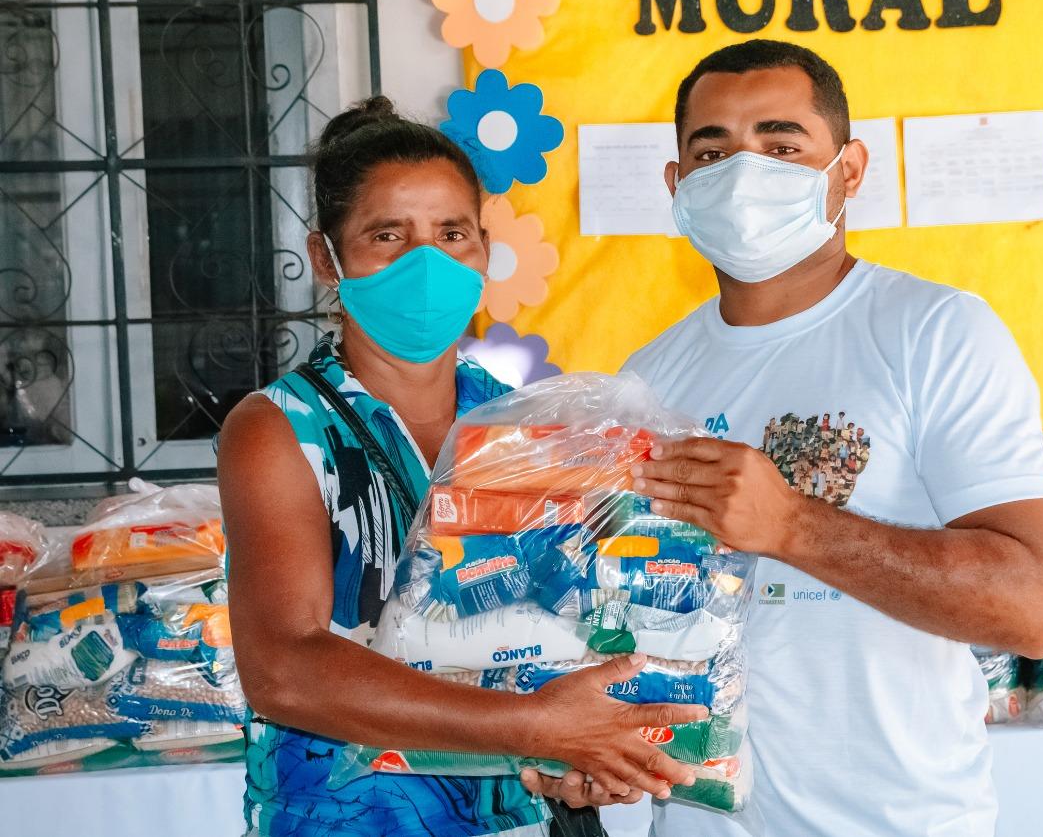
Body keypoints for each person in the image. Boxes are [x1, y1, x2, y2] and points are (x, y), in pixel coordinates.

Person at [531, 40, 1043, 835]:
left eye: (782, 146)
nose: (743, 173)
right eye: (711, 152)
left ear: (849, 171)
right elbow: (632, 615)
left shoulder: (934, 333)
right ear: (677, 186)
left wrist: (790, 526)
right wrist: (583, 738)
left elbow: (1033, 607)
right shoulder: (650, 377)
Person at [217, 98, 704, 837]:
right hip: (354, 820)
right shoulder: (281, 429)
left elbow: (558, 629)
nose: (426, 262)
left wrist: (577, 755)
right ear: (326, 258)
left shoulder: (522, 426)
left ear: (483, 248)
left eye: (452, 233)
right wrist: (533, 726)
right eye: (388, 235)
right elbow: (285, 668)